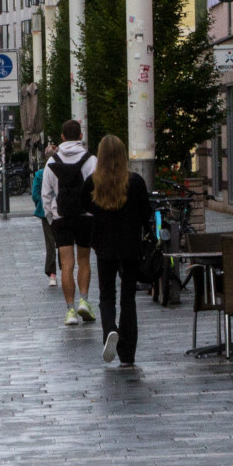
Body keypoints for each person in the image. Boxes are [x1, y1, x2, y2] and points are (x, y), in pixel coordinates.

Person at [83, 135, 151, 367]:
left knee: (106, 296)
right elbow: (147, 214)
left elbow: (82, 205)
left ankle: (110, 330)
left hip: (104, 246)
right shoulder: (136, 182)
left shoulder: (94, 182)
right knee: (128, 299)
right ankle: (128, 353)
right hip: (131, 246)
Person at [40, 119, 97, 326]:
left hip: (61, 217)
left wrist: (50, 217)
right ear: (80, 136)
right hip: (85, 217)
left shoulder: (52, 161)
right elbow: (97, 189)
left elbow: (45, 194)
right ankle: (84, 300)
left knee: (66, 265)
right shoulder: (91, 160)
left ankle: (70, 310)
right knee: (84, 261)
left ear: (62, 137)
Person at [30, 163, 57, 286]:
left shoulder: (40, 174)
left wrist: (40, 205)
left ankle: (52, 274)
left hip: (45, 212)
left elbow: (35, 194)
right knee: (64, 243)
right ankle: (67, 268)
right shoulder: (60, 170)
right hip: (61, 211)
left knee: (50, 242)